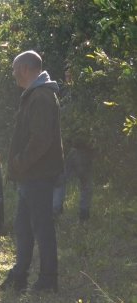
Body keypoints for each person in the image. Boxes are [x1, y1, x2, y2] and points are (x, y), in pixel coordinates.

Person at [0, 50, 64, 293]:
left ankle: (47, 280)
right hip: (30, 175)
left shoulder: (42, 96)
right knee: (23, 228)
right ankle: (19, 277)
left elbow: (41, 140)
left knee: (42, 228)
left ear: (24, 68)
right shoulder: (35, 94)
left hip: (38, 174)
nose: (13, 75)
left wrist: (19, 163)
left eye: (15, 69)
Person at [52, 67, 94, 222]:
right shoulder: (67, 95)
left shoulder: (80, 96)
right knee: (61, 180)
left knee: (82, 182)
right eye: (66, 75)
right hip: (69, 146)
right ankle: (58, 211)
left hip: (80, 147)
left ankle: (82, 213)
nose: (68, 78)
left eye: (70, 75)